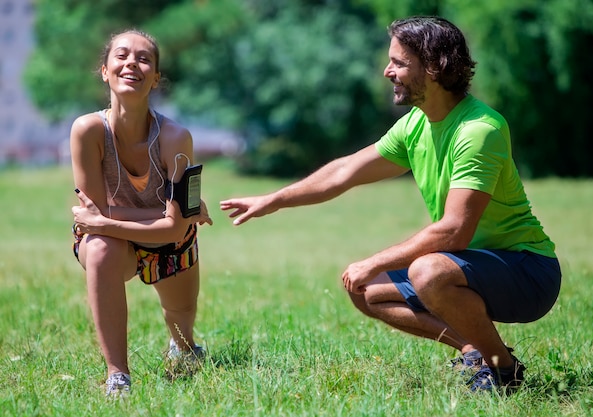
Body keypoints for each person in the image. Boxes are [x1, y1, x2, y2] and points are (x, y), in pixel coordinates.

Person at [220, 16, 561, 393]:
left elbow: (454, 230)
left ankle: (503, 370)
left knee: (427, 272)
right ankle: (477, 351)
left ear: (433, 67)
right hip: (470, 266)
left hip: (528, 270)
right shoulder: (417, 123)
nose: (388, 71)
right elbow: (345, 170)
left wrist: (375, 260)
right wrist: (275, 200)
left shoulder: (479, 130)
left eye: (399, 62)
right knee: (366, 289)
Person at [70, 29, 212, 397]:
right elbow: (95, 216)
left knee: (180, 326)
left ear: (156, 78)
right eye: (121, 55)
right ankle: (118, 375)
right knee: (100, 246)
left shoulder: (175, 138)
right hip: (115, 241)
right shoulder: (88, 131)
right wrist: (164, 214)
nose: (132, 62)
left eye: (144, 58)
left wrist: (105, 220)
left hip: (170, 245)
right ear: (105, 71)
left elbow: (172, 231)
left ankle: (184, 349)